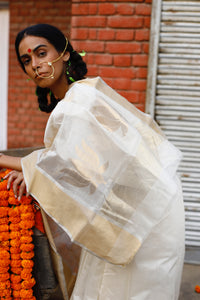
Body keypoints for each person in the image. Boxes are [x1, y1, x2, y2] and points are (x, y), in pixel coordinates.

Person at [0, 23, 185, 300]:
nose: (36, 65)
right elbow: (78, 159)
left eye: (41, 53)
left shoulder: (81, 98)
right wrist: (32, 167)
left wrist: (8, 161)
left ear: (64, 53)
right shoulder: (79, 96)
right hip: (133, 212)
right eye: (27, 60)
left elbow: (67, 161)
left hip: (145, 219)